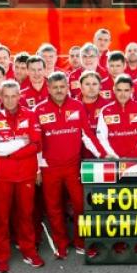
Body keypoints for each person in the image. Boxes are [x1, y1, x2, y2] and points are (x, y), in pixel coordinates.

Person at [36, 72, 104, 259]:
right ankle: (61, 243)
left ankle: (82, 242)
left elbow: (87, 135)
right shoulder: (39, 110)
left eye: (62, 86)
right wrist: (37, 168)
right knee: (53, 208)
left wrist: (105, 155)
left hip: (73, 166)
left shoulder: (77, 106)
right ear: (48, 88)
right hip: (49, 168)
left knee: (80, 205)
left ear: (68, 87)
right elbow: (36, 142)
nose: (59, 90)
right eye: (55, 87)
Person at [0, 81, 44, 273]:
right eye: (5, 96)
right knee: (0, 218)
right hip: (2, 175)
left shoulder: (31, 114)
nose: (9, 100)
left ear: (19, 96)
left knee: (26, 216)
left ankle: (29, 251)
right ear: (0, 96)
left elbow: (36, 145)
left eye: (13, 95)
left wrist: (10, 151)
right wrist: (21, 142)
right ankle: (1, 256)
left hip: (26, 174)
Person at [95, 75, 137, 159]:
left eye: (126, 90)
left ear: (132, 90)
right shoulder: (106, 110)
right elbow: (101, 137)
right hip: (114, 161)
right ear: (114, 89)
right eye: (119, 90)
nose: (122, 94)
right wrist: (114, 157)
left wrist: (134, 156)